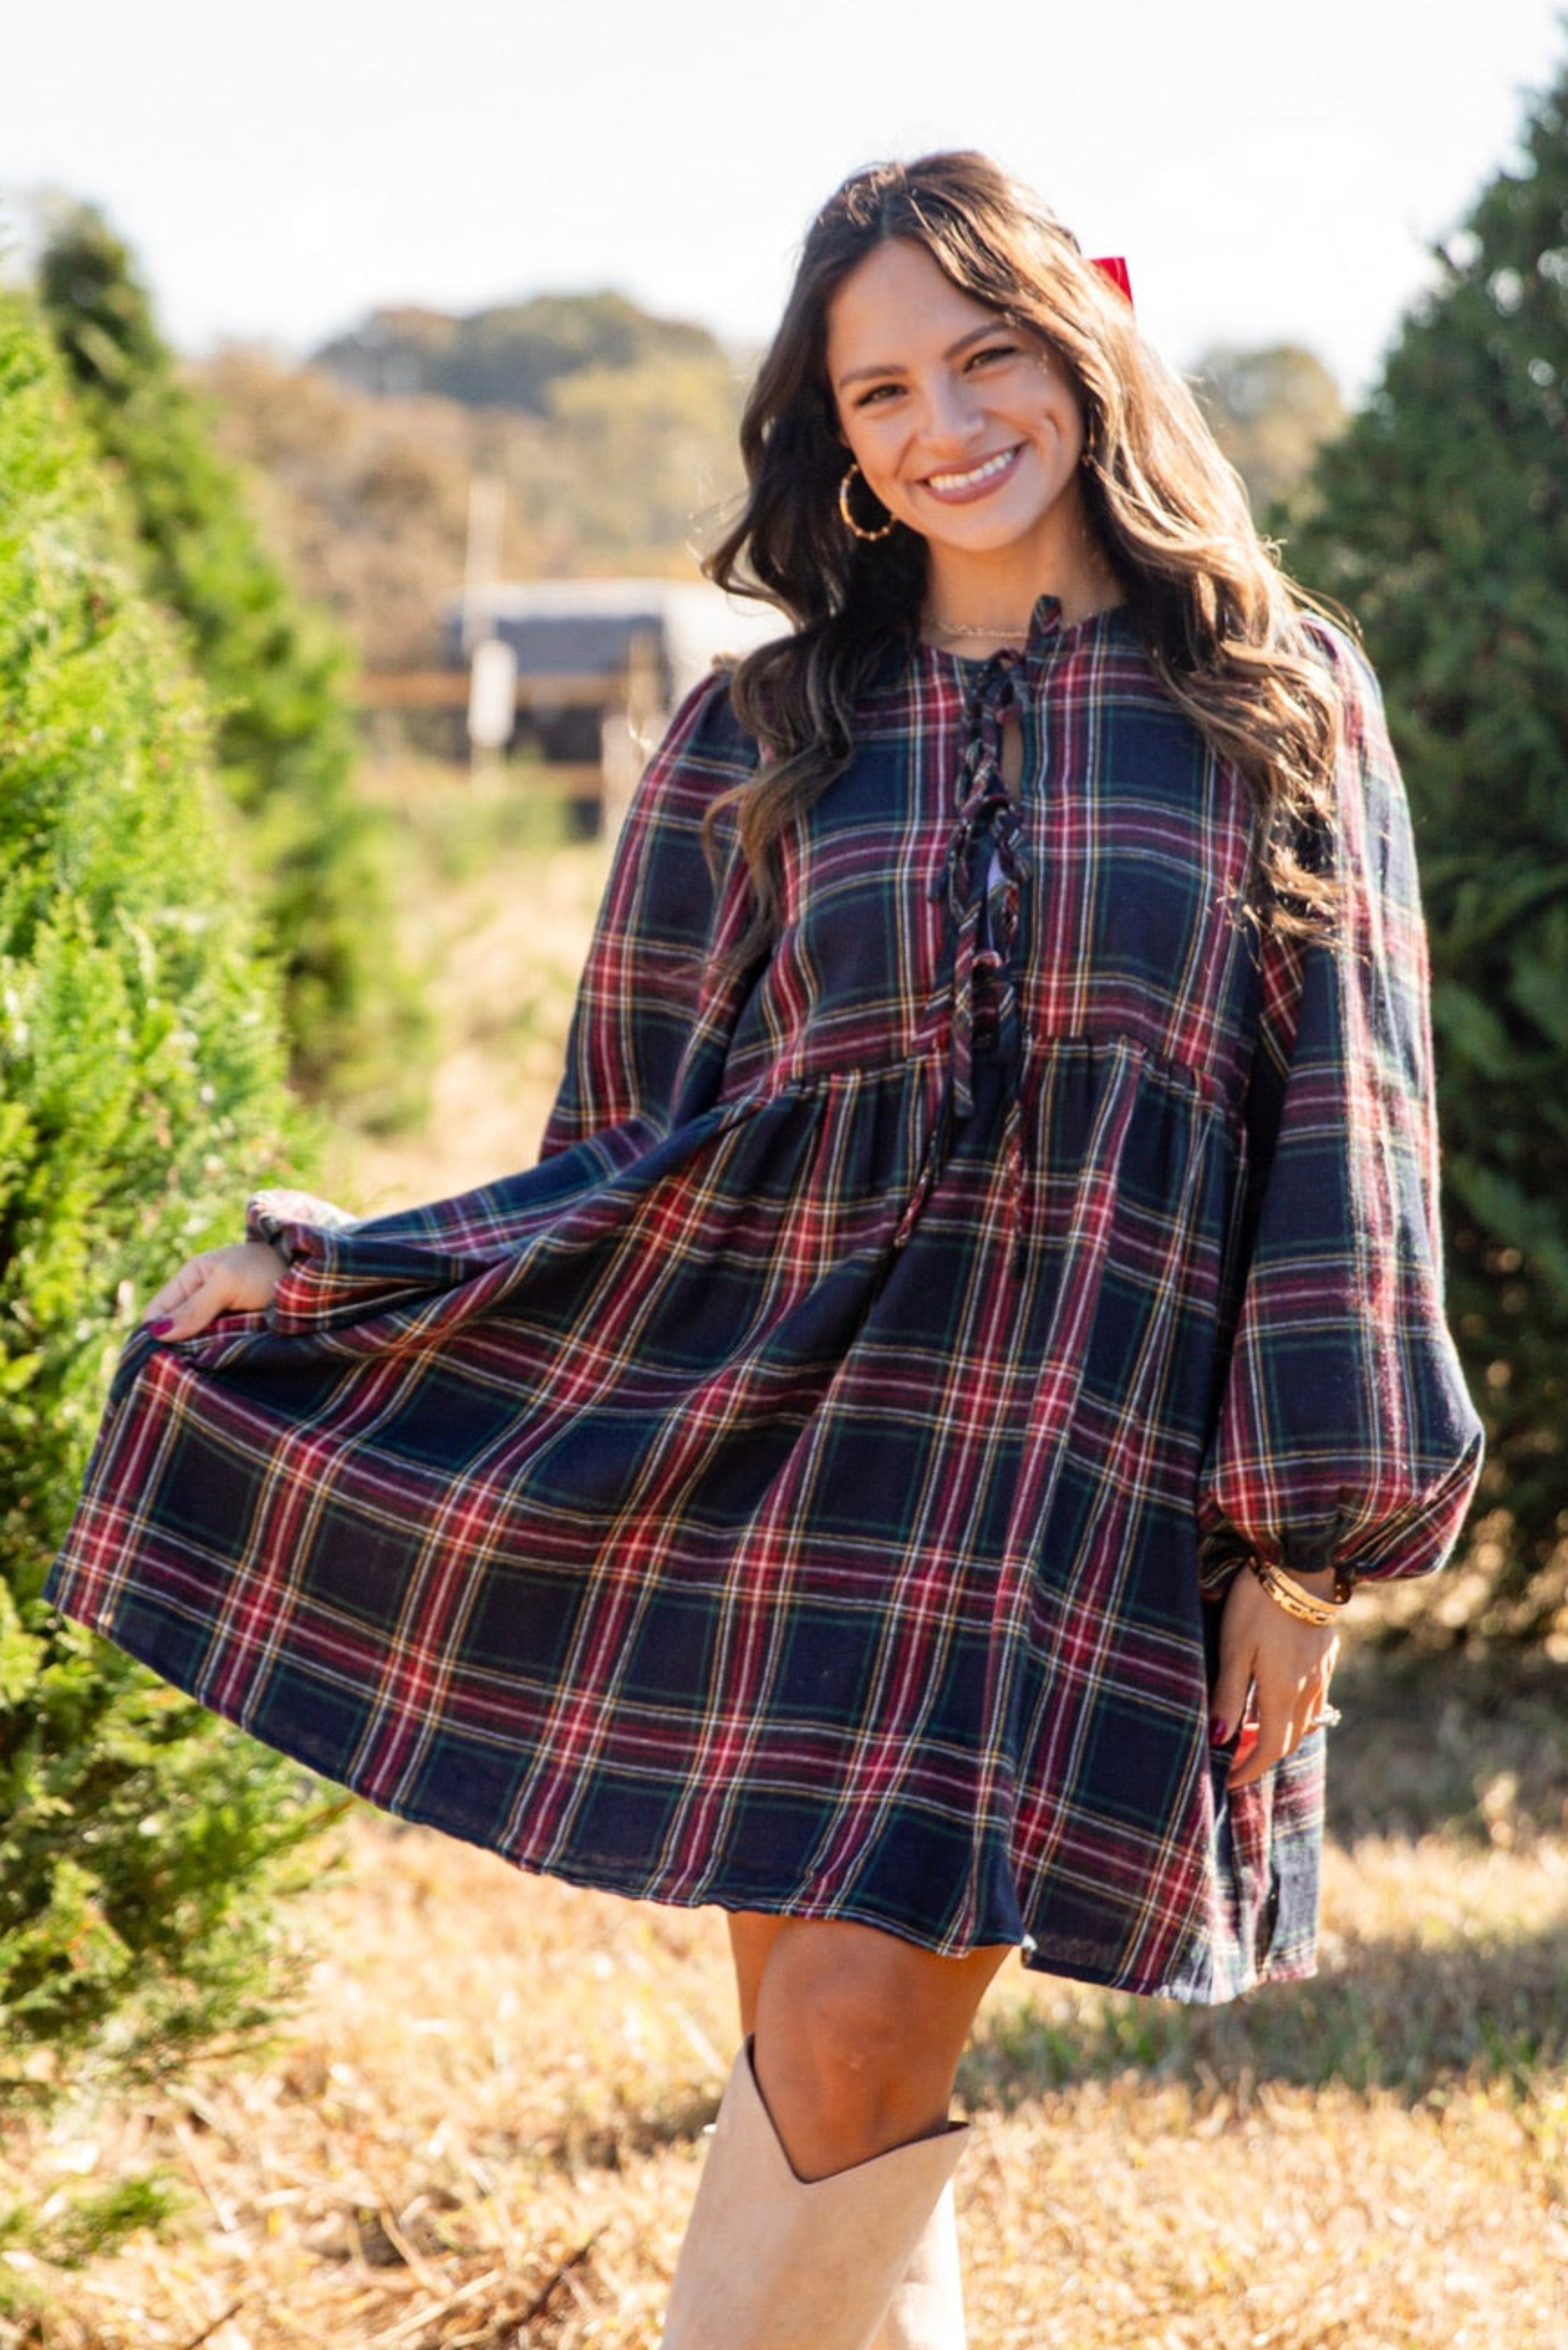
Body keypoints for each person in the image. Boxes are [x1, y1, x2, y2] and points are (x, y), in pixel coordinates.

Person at [47, 152, 1483, 2349]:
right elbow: (629, 1155)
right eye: (881, 385)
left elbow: (1348, 1134)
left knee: (839, 2053)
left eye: (986, 353)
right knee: (827, 2086)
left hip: (1063, 1483)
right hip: (789, 1463)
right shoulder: (763, 731)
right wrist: (340, 1279)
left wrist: (1302, 1547)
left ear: (1083, 347)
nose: (943, 421)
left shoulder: (1270, 698)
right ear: (837, 438)